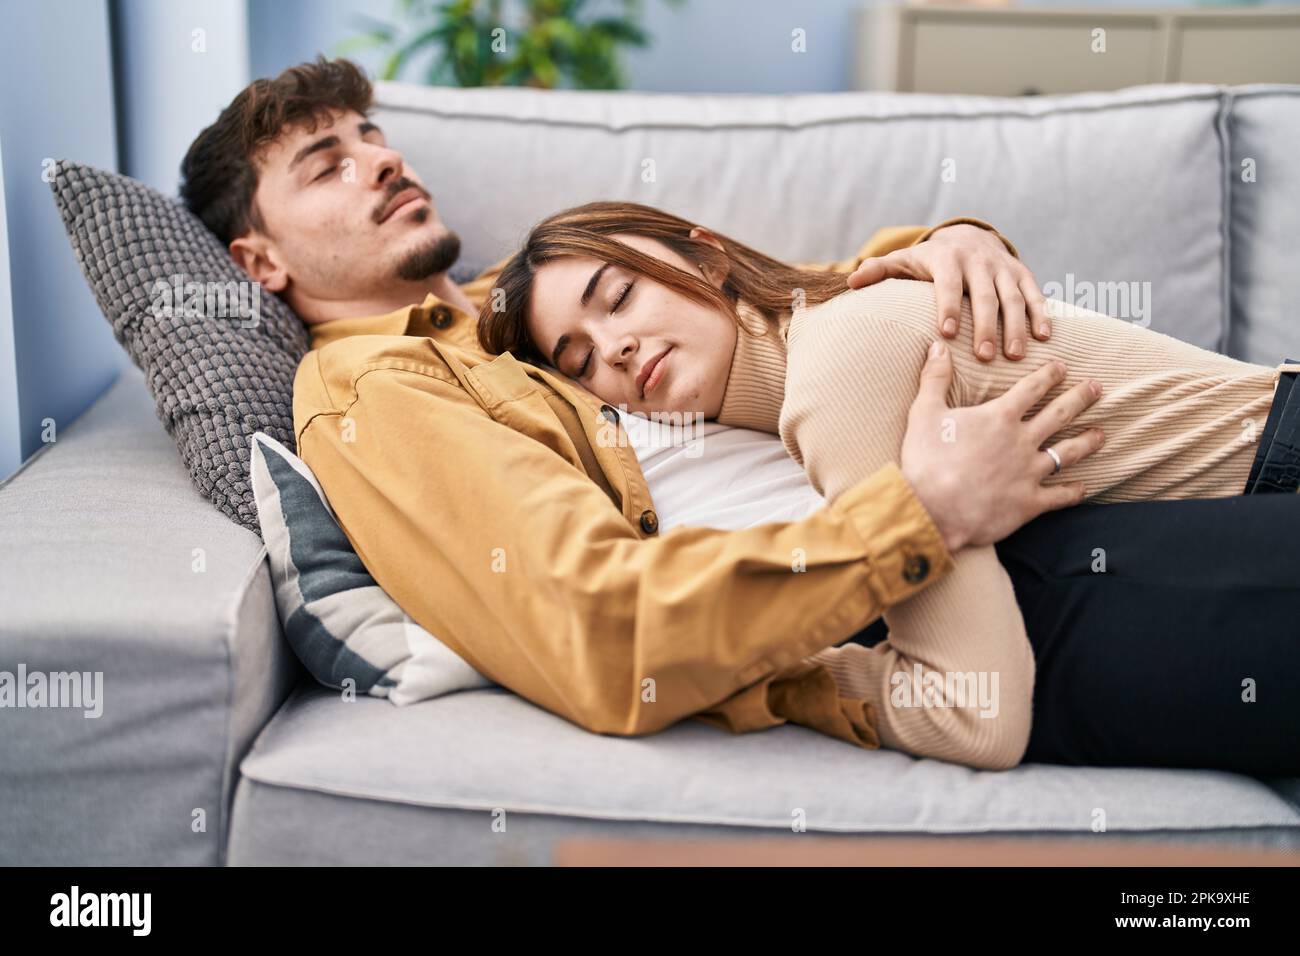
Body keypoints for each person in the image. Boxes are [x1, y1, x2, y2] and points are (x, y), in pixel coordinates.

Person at [178, 57, 1101, 758]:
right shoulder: (373, 391)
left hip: (1001, 474)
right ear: (260, 261)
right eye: (325, 163)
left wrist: (952, 242)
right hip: (932, 585)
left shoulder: (532, 295)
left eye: (372, 135)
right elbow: (599, 630)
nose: (379, 161)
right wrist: (922, 517)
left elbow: (786, 297)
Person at [479, 200, 1300, 775]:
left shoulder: (838, 368)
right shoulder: (825, 354)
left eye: (619, 297)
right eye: (579, 360)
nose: (614, 349)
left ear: (706, 256)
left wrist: (763, 681)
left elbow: (975, 716)